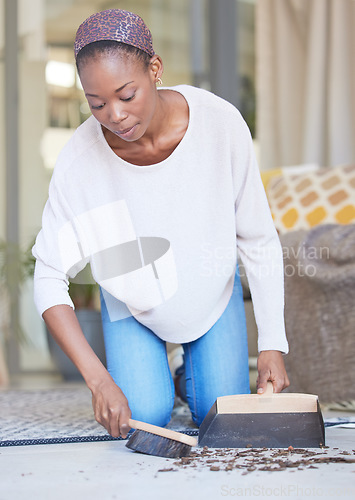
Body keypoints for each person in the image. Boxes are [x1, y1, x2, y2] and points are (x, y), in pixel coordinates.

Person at [32, 8, 290, 439]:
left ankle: (180, 369)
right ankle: (161, 374)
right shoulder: (80, 160)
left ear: (155, 69)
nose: (113, 114)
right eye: (96, 103)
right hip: (132, 301)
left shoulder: (220, 123)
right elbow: (48, 277)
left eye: (126, 95)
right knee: (144, 419)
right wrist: (99, 381)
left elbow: (258, 238)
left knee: (221, 417)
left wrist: (272, 345)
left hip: (210, 292)